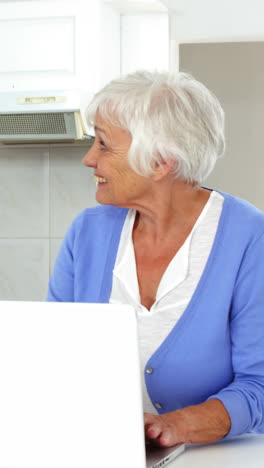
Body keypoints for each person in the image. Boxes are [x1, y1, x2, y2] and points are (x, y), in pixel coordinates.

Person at [47, 70, 264, 446]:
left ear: (160, 162)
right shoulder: (87, 233)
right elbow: (51, 358)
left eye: (103, 144)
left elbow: (259, 386)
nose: (88, 159)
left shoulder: (250, 238)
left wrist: (177, 426)